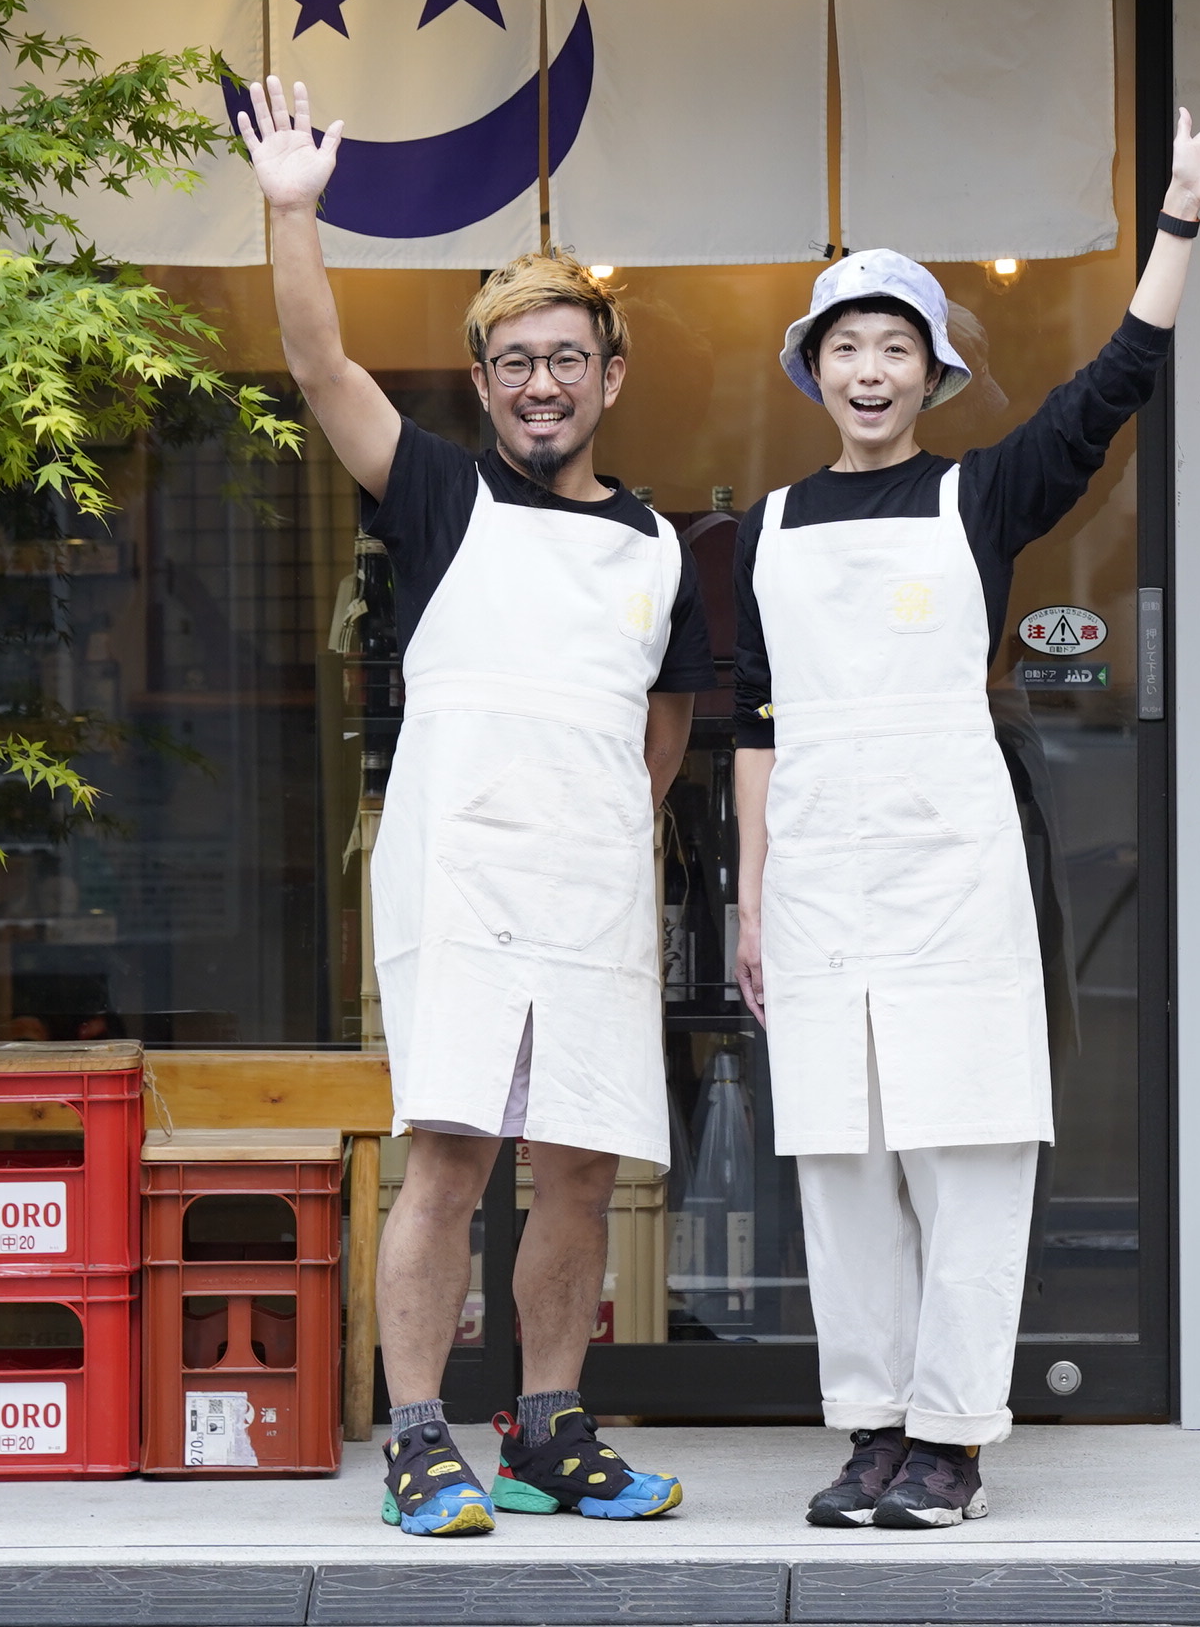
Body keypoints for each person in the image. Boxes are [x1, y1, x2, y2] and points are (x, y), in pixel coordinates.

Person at [734, 93, 1200, 1532]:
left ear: (933, 373)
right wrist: (748, 896)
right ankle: (872, 1428)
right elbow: (751, 721)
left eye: (892, 347)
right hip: (817, 877)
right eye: (843, 346)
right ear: (813, 370)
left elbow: (1110, 390)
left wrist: (1179, 217)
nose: (867, 370)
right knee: (841, 1165)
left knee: (965, 1155)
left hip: (953, 872)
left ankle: (956, 1437)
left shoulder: (982, 496)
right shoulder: (765, 531)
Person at [241, 74, 702, 1539]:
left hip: (592, 887)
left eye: (567, 360)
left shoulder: (659, 548)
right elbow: (320, 370)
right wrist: (292, 214)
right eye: (515, 364)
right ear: (485, 381)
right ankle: (419, 1433)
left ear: (610, 376)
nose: (542, 385)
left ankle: (552, 1428)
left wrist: (609, 836)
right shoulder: (437, 498)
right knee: (446, 1157)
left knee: (576, 1166)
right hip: (457, 879)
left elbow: (669, 722)